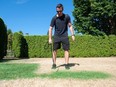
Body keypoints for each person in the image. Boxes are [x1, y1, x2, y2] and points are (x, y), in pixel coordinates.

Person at [48, 3, 75, 69]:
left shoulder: (67, 17)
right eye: (57, 11)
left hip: (64, 36)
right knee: (54, 50)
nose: (59, 12)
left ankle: (66, 64)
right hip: (56, 36)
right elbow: (50, 28)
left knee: (66, 50)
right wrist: (50, 38)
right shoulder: (54, 18)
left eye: (60, 11)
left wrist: (73, 35)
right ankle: (54, 64)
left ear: (62, 10)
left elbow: (70, 26)